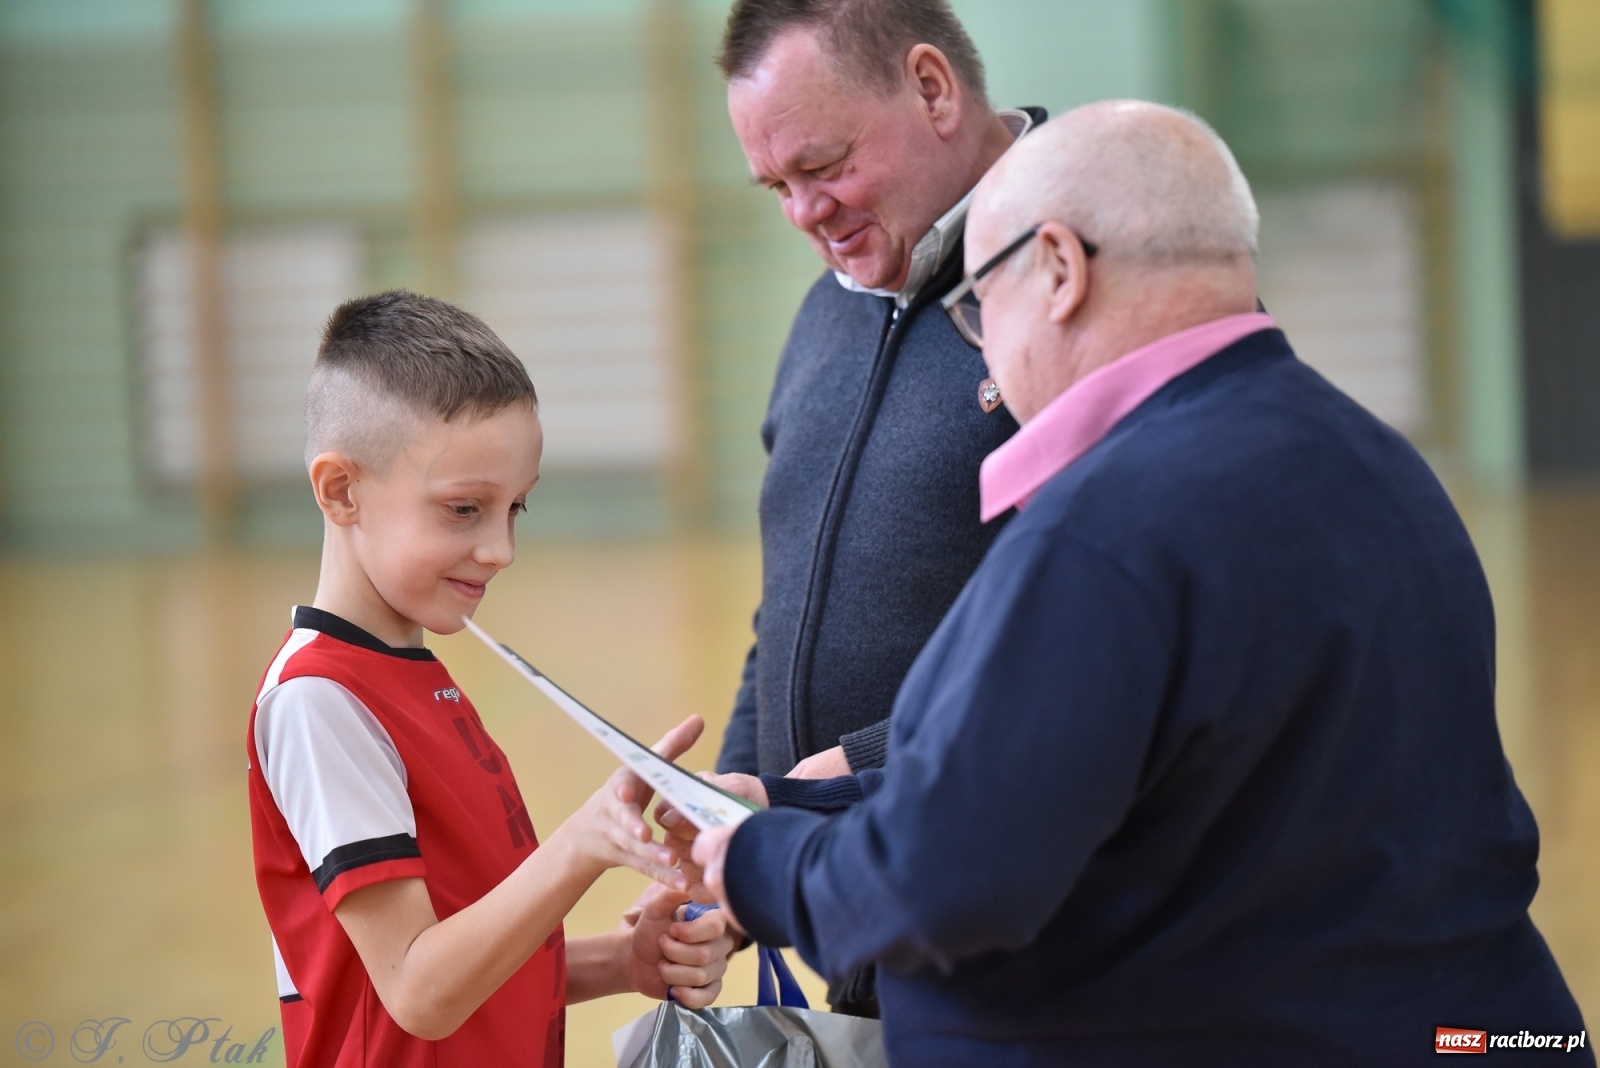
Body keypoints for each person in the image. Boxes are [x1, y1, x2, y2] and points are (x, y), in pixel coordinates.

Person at [672, 103, 1593, 1064]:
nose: (984, 344)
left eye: (979, 303)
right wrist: (791, 806)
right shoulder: (1378, 467)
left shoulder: (1108, 523)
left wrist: (757, 862)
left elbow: (948, 883)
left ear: (1061, 271)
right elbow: (1117, 789)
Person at [246, 292, 735, 1067]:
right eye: (465, 509)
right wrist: (580, 845)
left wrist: (623, 961)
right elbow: (417, 989)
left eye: (517, 508)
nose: (501, 548)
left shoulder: (409, 674)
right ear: (341, 491)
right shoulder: (320, 702)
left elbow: (467, 954)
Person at [714, 1, 1036, 1009]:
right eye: (776, 186)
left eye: (823, 166)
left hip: (1018, 955)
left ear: (933, 89)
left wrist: (849, 769)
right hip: (852, 922)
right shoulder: (825, 316)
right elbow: (783, 623)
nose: (803, 213)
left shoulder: (1075, 287)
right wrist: (724, 827)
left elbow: (1107, 644)